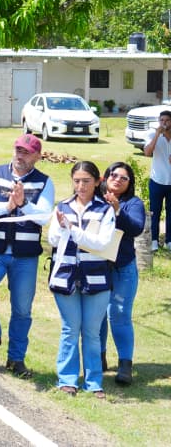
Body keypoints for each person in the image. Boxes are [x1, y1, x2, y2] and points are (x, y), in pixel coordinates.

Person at [0, 134, 54, 378]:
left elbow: (43, 216)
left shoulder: (44, 182)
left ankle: (16, 359)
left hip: (25, 256)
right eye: (18, 149)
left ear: (37, 157)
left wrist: (23, 204)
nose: (20, 155)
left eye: (26, 152)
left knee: (22, 310)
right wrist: (6, 207)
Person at [49, 161, 117, 398]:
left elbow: (102, 244)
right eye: (76, 181)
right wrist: (61, 228)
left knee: (91, 331)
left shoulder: (105, 210)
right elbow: (53, 240)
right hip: (65, 277)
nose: (81, 186)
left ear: (97, 181)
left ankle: (94, 381)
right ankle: (67, 379)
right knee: (70, 328)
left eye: (86, 181)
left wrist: (73, 230)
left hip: (97, 278)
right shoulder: (63, 206)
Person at [99, 161, 145, 386]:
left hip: (123, 266)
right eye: (113, 175)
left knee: (119, 315)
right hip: (96, 266)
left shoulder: (133, 203)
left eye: (123, 178)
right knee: (96, 314)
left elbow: (136, 228)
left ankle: (125, 364)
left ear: (129, 183)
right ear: (106, 177)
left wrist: (117, 209)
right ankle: (98, 358)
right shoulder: (95, 198)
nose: (117, 179)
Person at [143, 110, 171, 250]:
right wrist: (157, 135)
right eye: (162, 120)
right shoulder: (152, 134)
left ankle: (169, 241)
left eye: (167, 120)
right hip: (157, 180)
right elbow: (147, 152)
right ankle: (154, 240)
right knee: (155, 211)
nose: (164, 123)